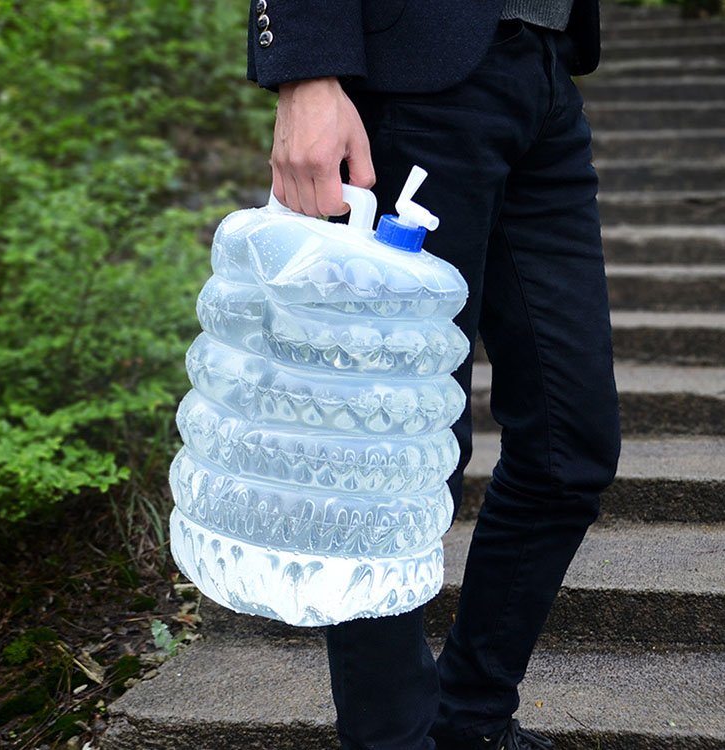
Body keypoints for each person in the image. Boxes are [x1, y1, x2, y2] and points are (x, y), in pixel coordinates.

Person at [246, 1, 622, 748]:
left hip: (546, 71)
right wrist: (306, 71)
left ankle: (470, 720)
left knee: (571, 446)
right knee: (392, 459)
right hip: (412, 77)